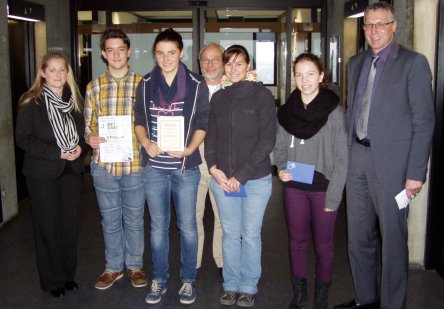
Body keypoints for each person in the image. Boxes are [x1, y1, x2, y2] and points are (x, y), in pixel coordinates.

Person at [335, 2, 435, 309]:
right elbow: (354, 113)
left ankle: (393, 304)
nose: (374, 31)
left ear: (394, 27)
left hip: (393, 168)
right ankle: (366, 299)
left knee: (393, 243)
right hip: (358, 162)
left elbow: (423, 122)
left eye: (381, 24)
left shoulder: (413, 63)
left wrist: (416, 172)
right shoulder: (355, 63)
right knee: (358, 239)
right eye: (369, 25)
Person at [134, 28, 209, 305]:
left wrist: (190, 149)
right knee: (158, 226)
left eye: (171, 53)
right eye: (160, 53)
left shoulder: (196, 84)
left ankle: (188, 280)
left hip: (185, 166)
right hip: (154, 166)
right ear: (155, 54)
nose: (165, 59)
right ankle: (160, 278)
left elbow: (202, 121)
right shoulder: (145, 83)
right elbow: (140, 119)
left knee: (188, 226)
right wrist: (145, 142)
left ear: (182, 53)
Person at [274, 53, 347, 309]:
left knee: (324, 245)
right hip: (295, 186)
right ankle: (300, 291)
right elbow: (280, 147)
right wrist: (282, 167)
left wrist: (334, 196)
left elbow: (341, 158)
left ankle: (322, 294)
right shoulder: (286, 111)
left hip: (323, 189)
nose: (304, 80)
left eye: (310, 74)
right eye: (299, 75)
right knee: (297, 242)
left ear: (321, 76)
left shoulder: (334, 112)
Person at [205, 44, 277, 307]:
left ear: (249, 67)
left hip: (255, 179)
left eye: (239, 63)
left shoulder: (262, 96)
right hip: (223, 179)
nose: (233, 68)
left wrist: (242, 175)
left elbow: (267, 141)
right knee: (230, 233)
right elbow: (210, 137)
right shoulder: (219, 98)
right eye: (229, 63)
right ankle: (231, 284)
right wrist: (213, 167)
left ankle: (248, 286)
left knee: (250, 234)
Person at [16, 52, 87, 297]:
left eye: (62, 70)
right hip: (42, 173)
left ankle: (67, 276)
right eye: (53, 70)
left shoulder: (75, 99)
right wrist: (56, 153)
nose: (58, 75)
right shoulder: (31, 101)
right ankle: (52, 280)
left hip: (71, 172)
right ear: (43, 73)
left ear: (67, 72)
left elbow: (83, 135)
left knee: (69, 227)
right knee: (48, 227)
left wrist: (81, 147)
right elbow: (23, 139)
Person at [84, 28, 147, 290]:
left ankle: (134, 266)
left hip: (134, 166)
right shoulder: (93, 86)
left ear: (128, 51)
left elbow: (150, 124)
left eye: (120, 49)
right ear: (103, 53)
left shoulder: (143, 84)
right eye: (110, 50)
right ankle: (113, 268)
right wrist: (90, 137)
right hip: (104, 166)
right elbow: (88, 124)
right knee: (109, 221)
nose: (116, 54)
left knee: (134, 219)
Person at [196, 42, 225, 273]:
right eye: (205, 59)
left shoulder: (233, 88)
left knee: (222, 215)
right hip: (194, 156)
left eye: (215, 59)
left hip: (223, 159)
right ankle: (192, 262)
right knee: (192, 215)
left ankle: (222, 261)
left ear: (223, 62)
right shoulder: (190, 89)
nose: (210, 64)